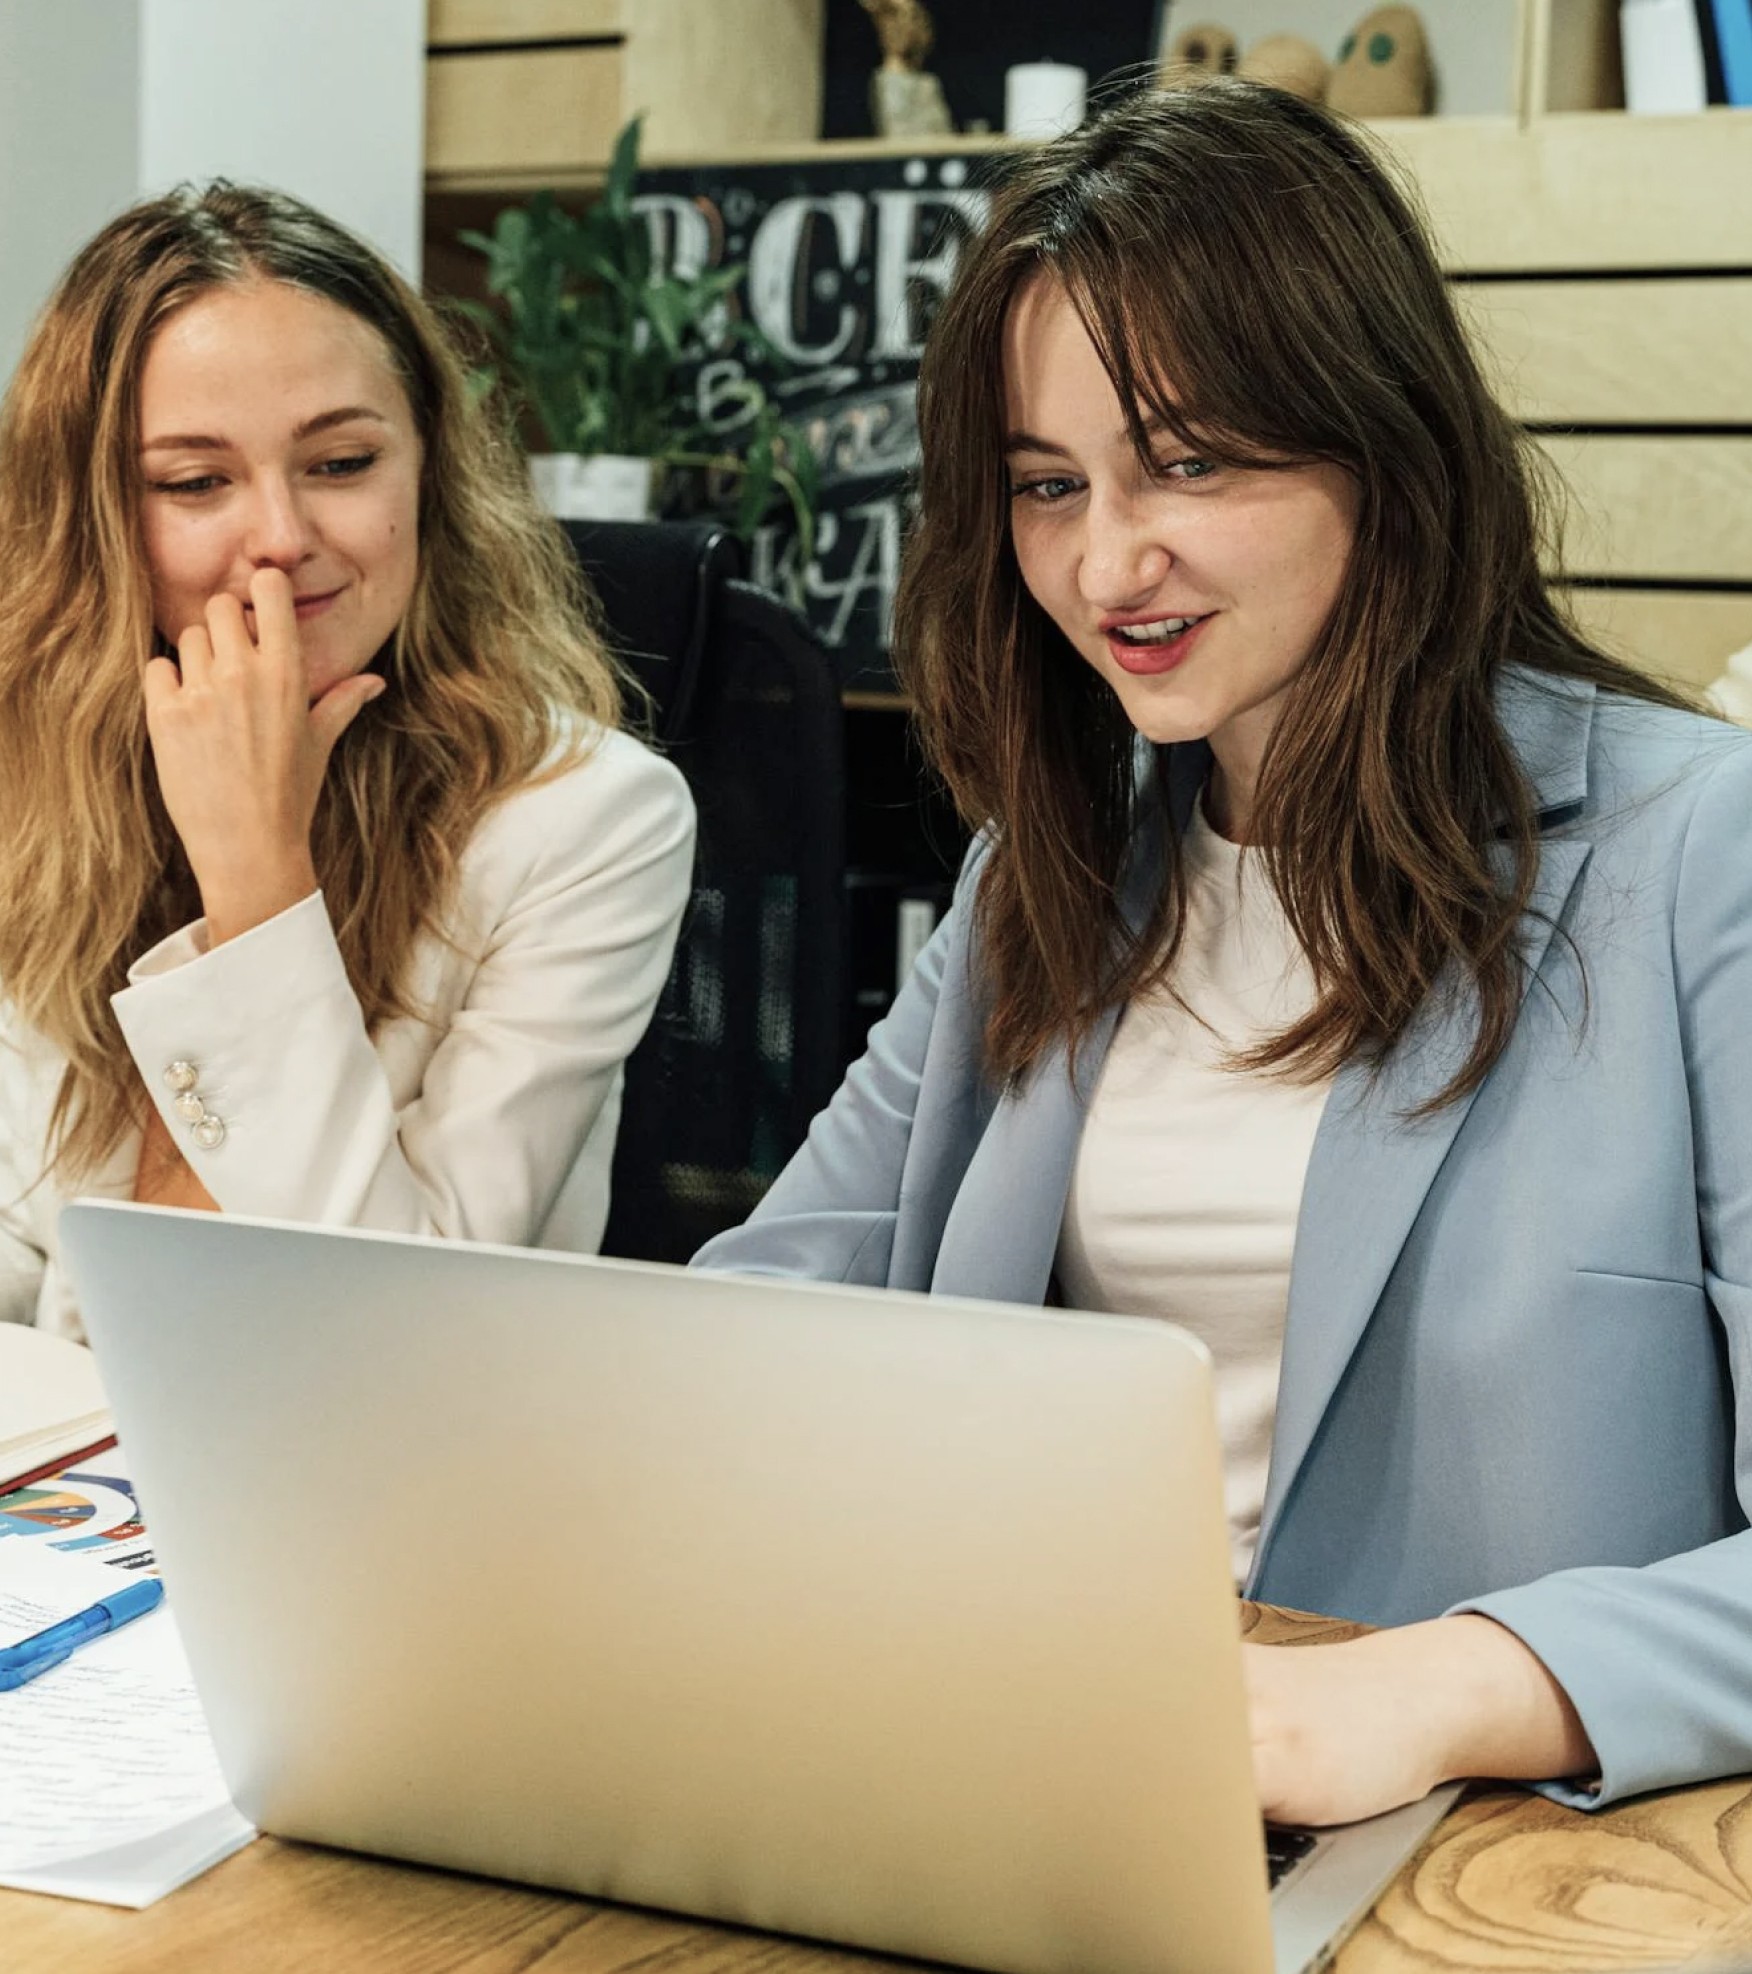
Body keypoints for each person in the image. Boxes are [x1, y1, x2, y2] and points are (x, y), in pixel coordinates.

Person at [696, 80, 1752, 1827]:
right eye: (1048, 483)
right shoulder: (1040, 869)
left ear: (1378, 450)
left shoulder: (1698, 846)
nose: (1108, 558)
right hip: (1034, 1769)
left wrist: (1426, 1687)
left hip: (1490, 1847)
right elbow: (755, 1328)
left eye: (1188, 459)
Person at [0, 183, 695, 1339]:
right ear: (92, 518)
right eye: (194, 482)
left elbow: (388, 1321)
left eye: (339, 463)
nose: (281, 534)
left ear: (426, 470)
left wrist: (253, 869)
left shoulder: (587, 819)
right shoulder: (35, 777)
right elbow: (31, 1262)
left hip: (403, 1476)